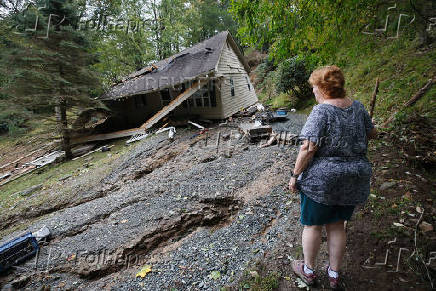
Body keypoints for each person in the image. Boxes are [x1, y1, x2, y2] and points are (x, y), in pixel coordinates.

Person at [288, 65, 377, 289]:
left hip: (323, 182)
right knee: (338, 225)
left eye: (314, 88)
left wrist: (295, 175)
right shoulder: (358, 107)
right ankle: (334, 275)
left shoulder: (321, 111)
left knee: (313, 225)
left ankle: (308, 271)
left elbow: (308, 148)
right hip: (354, 178)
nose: (313, 92)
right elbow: (373, 133)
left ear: (323, 88)